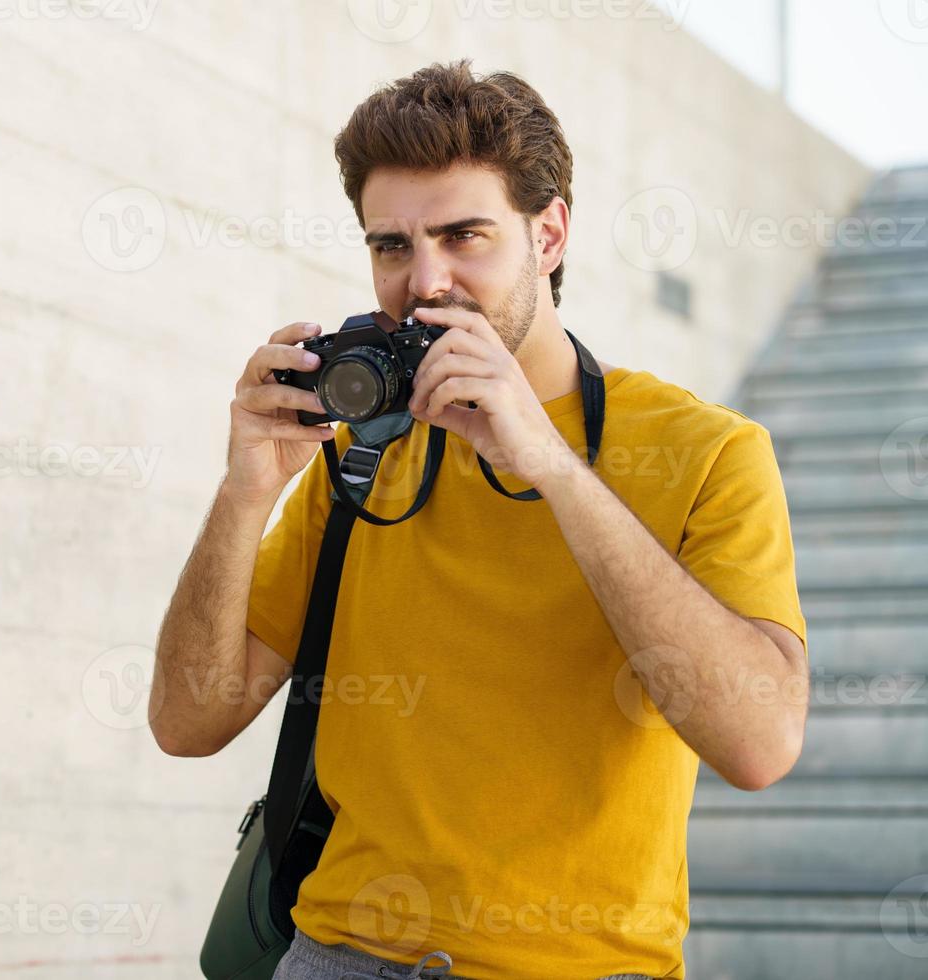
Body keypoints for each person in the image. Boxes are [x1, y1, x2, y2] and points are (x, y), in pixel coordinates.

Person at [149, 59, 808, 980]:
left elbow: (760, 744)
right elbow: (187, 721)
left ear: (549, 235)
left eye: (465, 235)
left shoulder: (707, 452)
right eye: (391, 246)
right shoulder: (359, 450)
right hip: (338, 956)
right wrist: (245, 490)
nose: (426, 282)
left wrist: (548, 462)